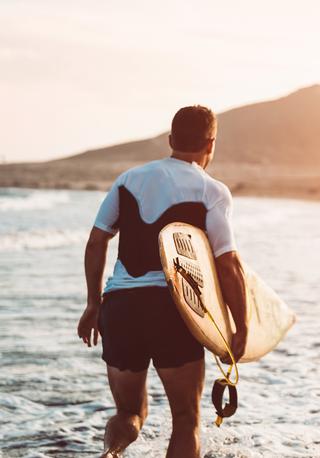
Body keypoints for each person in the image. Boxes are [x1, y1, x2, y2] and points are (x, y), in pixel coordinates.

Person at [77, 106, 248, 458]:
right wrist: (241, 325)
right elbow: (227, 264)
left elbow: (97, 242)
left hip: (121, 307)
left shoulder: (128, 179)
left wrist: (94, 304)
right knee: (186, 420)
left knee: (128, 414)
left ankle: (110, 454)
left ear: (171, 140)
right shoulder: (211, 190)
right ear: (211, 143)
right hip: (174, 311)